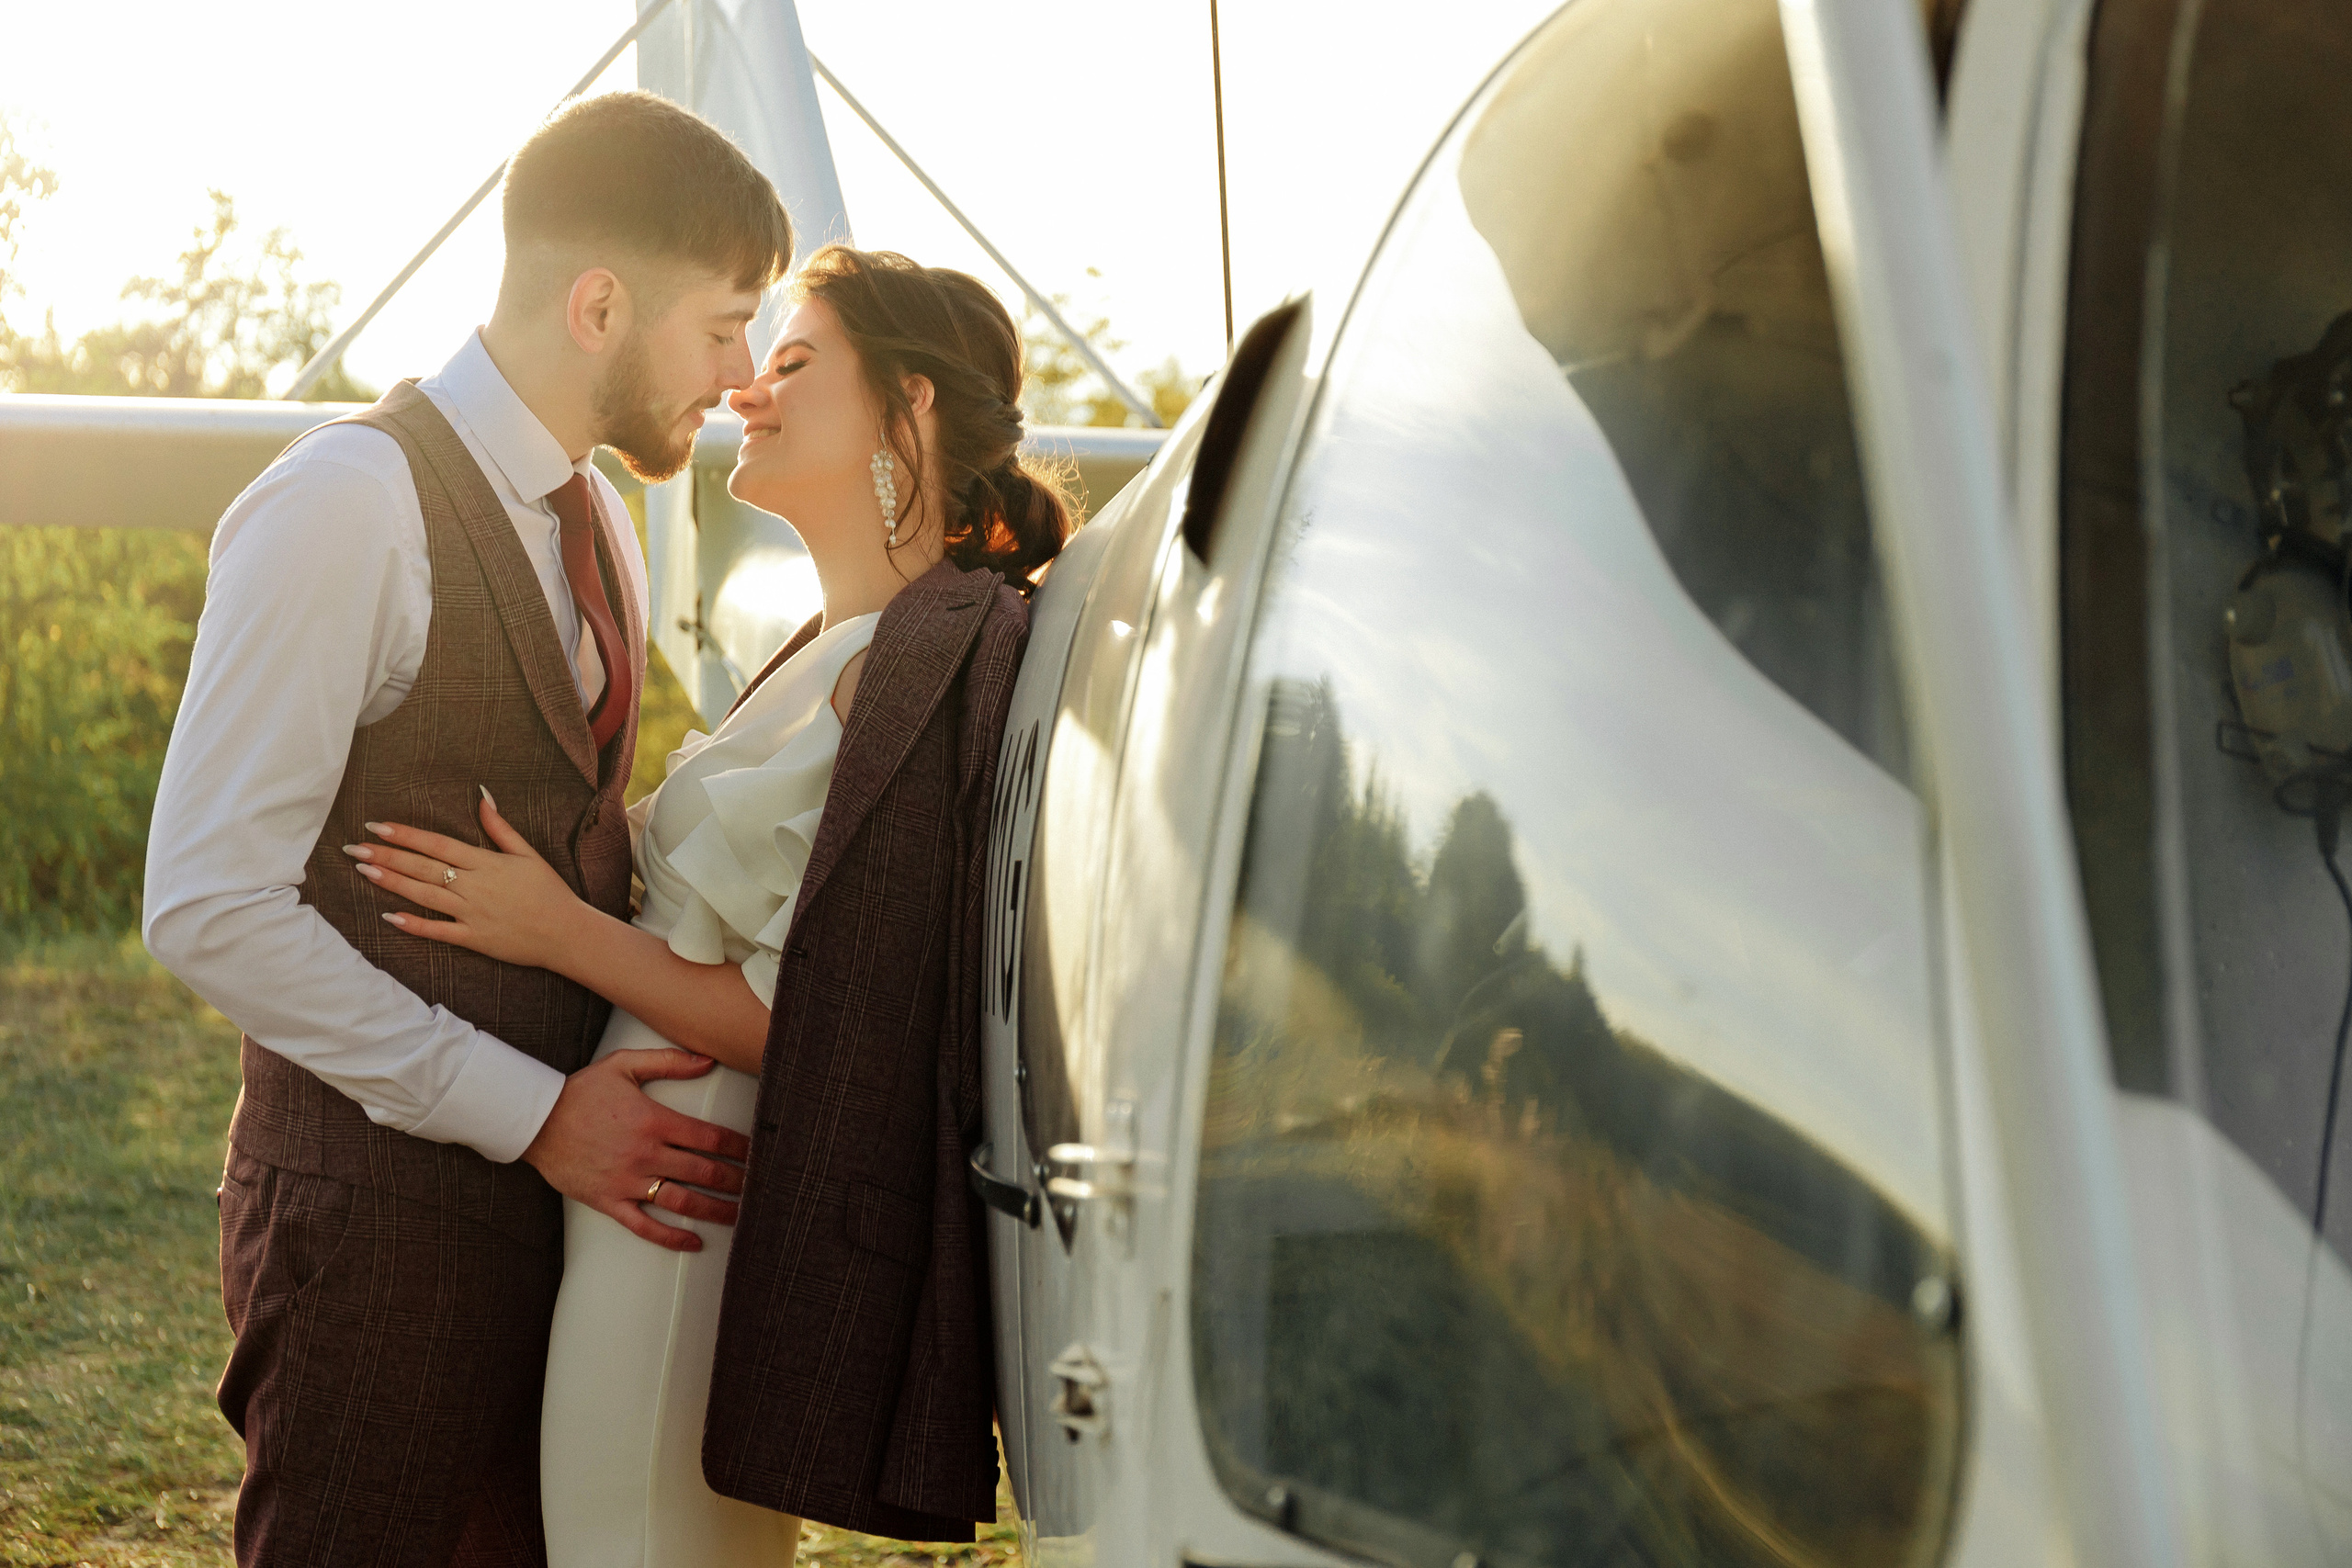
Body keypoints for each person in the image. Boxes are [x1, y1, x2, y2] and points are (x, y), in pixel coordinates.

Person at [141, 92, 793, 1567]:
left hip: (547, 1241)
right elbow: (206, 903)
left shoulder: (600, 518)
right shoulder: (343, 504)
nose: (741, 375)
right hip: (374, 1236)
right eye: (723, 326)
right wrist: (533, 1110)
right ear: (600, 302)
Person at [349, 244, 1064, 1561]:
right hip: (658, 1195)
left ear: (908, 410)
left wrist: (557, 931)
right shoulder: (834, 650)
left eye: (794, 362)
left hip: (688, 1214)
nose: (750, 390)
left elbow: (826, 1026)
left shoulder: (919, 665)